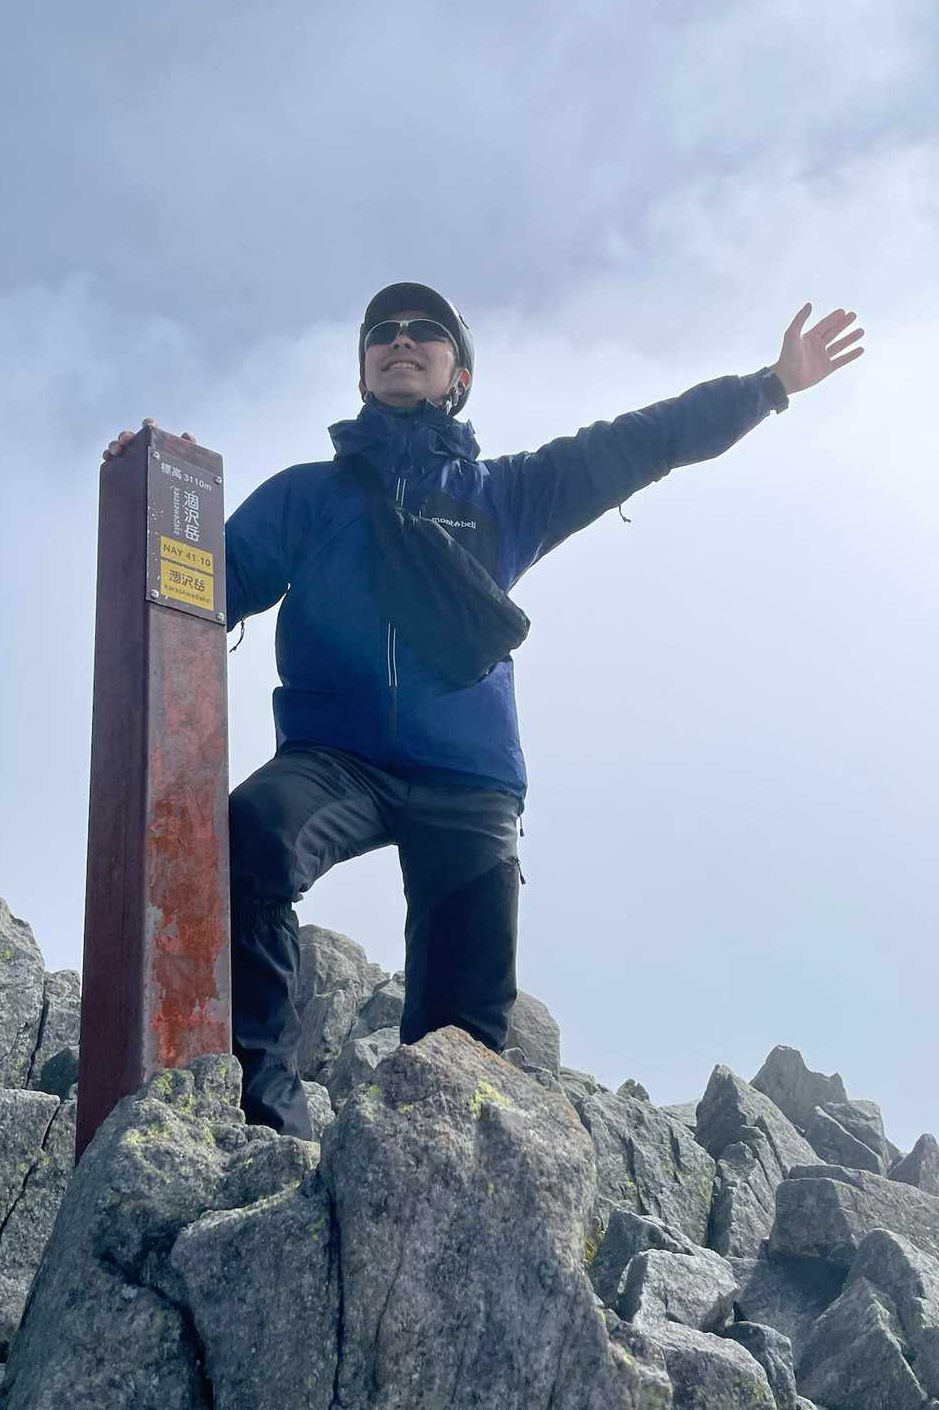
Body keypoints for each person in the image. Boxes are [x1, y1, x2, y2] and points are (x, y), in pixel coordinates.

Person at [105, 282, 864, 1140]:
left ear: (458, 376)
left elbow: (643, 441)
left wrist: (770, 386)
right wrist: (148, 485)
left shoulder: (507, 495)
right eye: (383, 333)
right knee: (249, 838)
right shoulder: (308, 498)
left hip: (467, 782)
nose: (400, 341)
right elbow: (198, 582)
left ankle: (419, 1172)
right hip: (334, 760)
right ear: (364, 370)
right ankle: (265, 1129)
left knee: (460, 1038)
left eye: (424, 332)